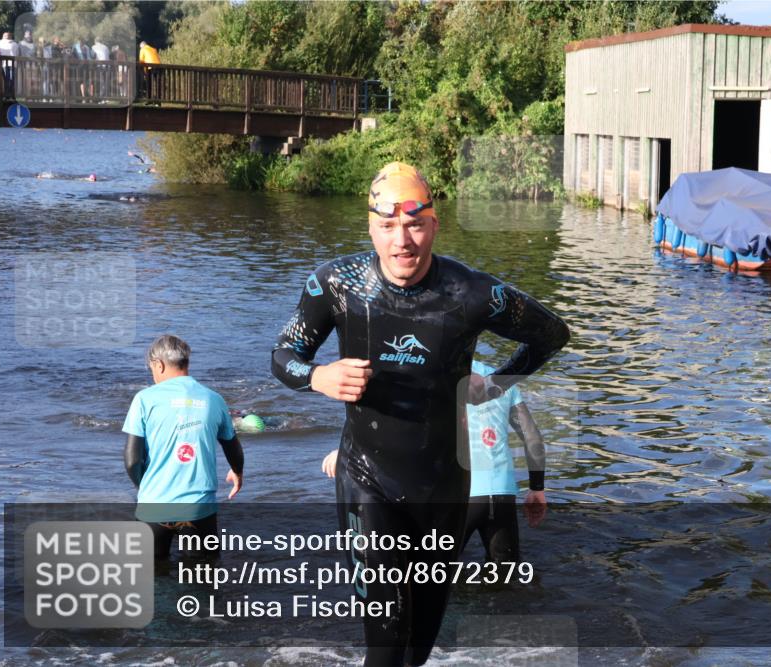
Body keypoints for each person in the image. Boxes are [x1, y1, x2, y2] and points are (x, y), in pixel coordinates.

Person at [271, 161, 569, 666]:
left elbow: (552, 335)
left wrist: (496, 384)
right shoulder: (336, 284)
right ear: (370, 227)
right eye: (387, 225)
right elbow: (283, 355)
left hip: (444, 489)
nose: (401, 240)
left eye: (414, 224)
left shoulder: (472, 293)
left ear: (434, 224)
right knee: (387, 635)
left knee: (419, 644)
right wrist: (317, 376)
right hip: (366, 479)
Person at [321, 358, 548, 563]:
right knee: (506, 578)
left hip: (457, 495)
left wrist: (348, 449)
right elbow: (533, 438)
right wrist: (537, 489)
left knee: (433, 577)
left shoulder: (434, 378)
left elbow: (398, 427)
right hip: (502, 495)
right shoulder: (503, 381)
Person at [123, 334, 245, 565]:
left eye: (151, 368)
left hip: (154, 507)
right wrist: (237, 472)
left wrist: (146, 487)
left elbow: (132, 460)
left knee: (151, 574)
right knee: (203, 573)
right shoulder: (214, 399)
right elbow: (233, 448)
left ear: (158, 365)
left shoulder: (144, 399)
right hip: (199, 509)